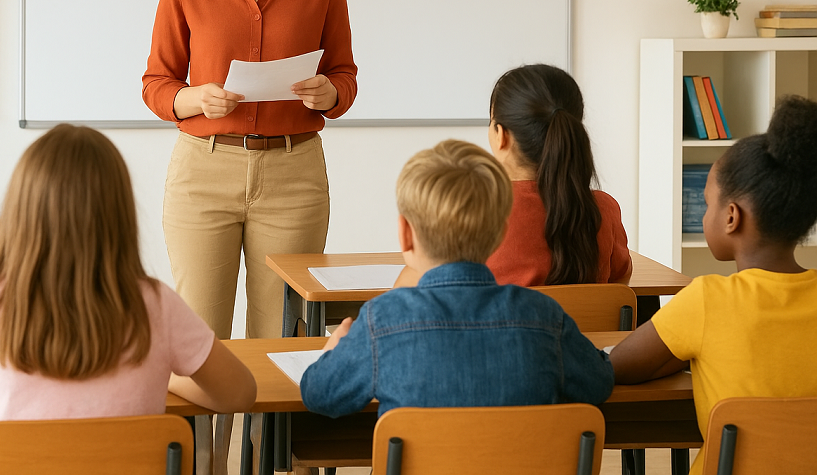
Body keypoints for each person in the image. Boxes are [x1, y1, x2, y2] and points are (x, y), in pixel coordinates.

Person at [0, 124, 256, 422]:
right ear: (119, 215)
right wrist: (168, 375)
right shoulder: (157, 306)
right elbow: (239, 394)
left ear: (21, 215)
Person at [142, 0, 357, 340]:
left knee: (279, 337)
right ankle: (206, 427)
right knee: (199, 337)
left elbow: (344, 75)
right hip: (204, 171)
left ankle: (260, 428)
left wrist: (331, 94)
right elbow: (156, 83)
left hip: (294, 176)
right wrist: (195, 98)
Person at [300, 139, 614, 418]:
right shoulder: (545, 317)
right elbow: (599, 383)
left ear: (405, 234)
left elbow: (319, 395)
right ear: (501, 234)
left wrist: (332, 352)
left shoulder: (380, 322)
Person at [610, 95, 817, 474]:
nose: (706, 213)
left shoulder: (707, 300)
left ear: (731, 218)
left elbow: (618, 367)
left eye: (708, 204)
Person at [396, 64, 630, 288]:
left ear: (501, 136)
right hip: (582, 331)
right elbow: (619, 279)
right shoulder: (604, 209)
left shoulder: (475, 210)